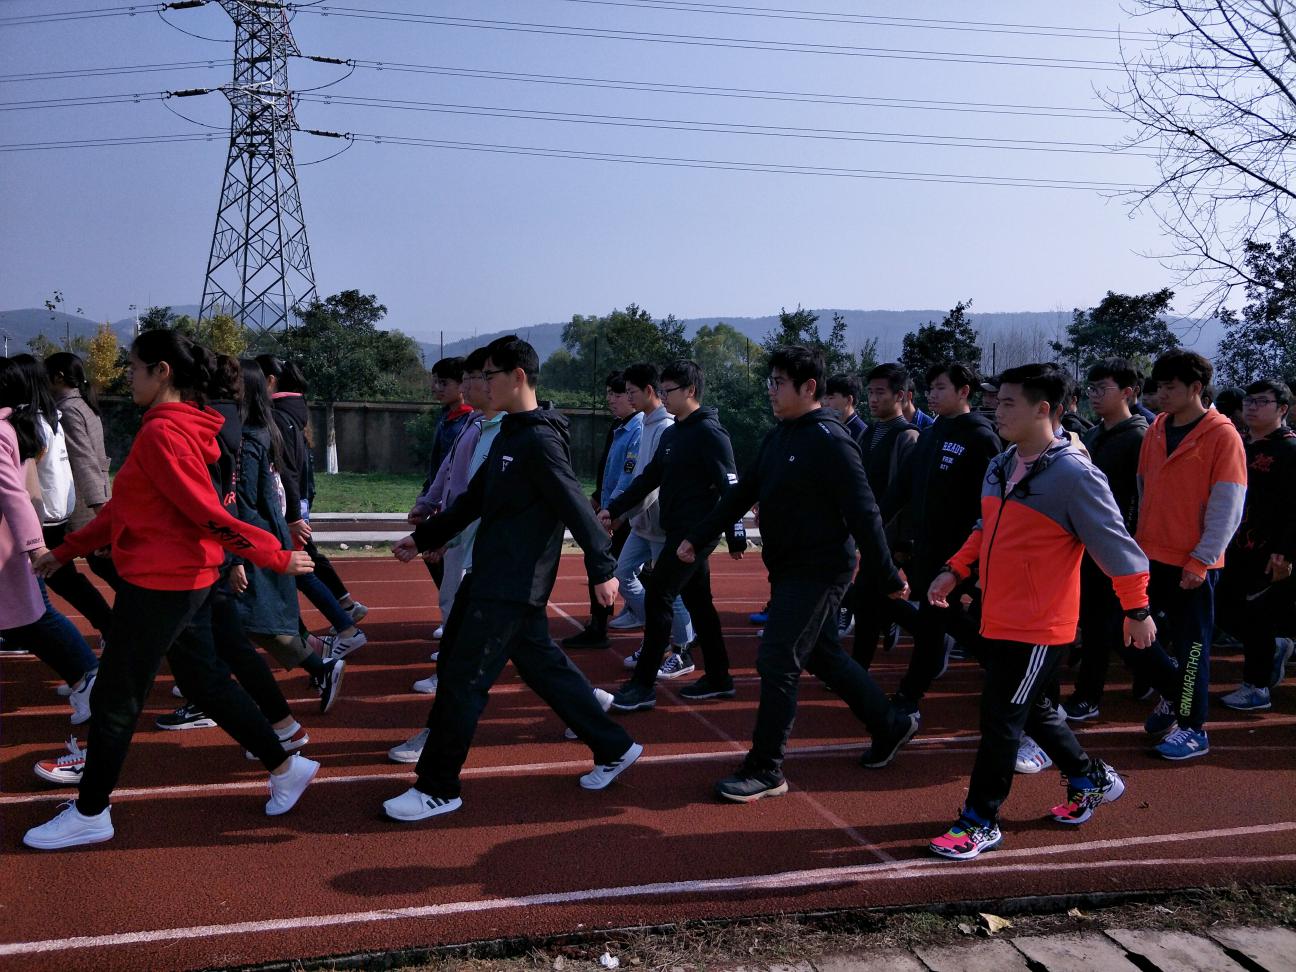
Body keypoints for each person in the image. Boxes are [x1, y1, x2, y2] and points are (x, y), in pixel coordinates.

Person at [23, 331, 317, 851]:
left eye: (133, 368)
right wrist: (66, 550)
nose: (126, 377)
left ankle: (91, 812)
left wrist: (272, 555)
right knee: (205, 681)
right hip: (181, 579)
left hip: (163, 584)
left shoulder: (164, 432)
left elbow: (205, 511)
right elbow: (126, 507)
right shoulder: (172, 427)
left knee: (117, 697)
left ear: (162, 371)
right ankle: (284, 766)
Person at [384, 336, 642, 820]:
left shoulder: (539, 441)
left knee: (463, 680)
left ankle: (439, 787)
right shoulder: (510, 433)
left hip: (510, 585)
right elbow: (474, 500)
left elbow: (575, 506)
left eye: (488, 376)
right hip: (495, 576)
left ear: (517, 377)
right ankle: (614, 746)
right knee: (540, 668)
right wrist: (423, 538)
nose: (480, 385)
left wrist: (603, 569)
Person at [926, 363, 1155, 860]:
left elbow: (1117, 546)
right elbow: (985, 528)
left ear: (1044, 410)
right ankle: (1090, 778)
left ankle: (980, 821)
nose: (997, 410)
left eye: (1009, 403)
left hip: (1039, 625)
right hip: (997, 614)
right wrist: (955, 569)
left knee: (1000, 718)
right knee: (1034, 710)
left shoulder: (1075, 475)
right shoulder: (1001, 464)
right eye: (997, 401)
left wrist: (1137, 609)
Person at [680, 346, 920, 802]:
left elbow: (865, 512)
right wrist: (699, 535)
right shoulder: (779, 437)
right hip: (788, 568)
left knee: (777, 659)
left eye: (778, 383)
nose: (770, 391)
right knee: (823, 655)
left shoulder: (831, 440)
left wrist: (888, 574)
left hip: (820, 571)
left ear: (809, 388)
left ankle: (766, 768)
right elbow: (741, 494)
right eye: (769, 382)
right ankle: (890, 724)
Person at [600, 359, 746, 711]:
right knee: (700, 605)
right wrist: (614, 509)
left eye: (669, 391)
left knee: (658, 596)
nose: (663, 397)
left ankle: (643, 685)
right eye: (662, 390)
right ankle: (719, 677)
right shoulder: (673, 432)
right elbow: (649, 478)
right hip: (677, 532)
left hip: (695, 535)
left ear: (690, 391)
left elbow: (731, 486)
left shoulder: (710, 433)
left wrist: (736, 536)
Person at [1132, 349, 1247, 761]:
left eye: (1170, 387)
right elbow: (1144, 488)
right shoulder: (1156, 428)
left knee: (1192, 647)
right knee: (1126, 631)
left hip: (1193, 562)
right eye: (1158, 386)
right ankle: (1173, 691)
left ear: (1196, 388)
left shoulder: (1222, 435)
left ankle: (1193, 728)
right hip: (1149, 554)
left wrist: (1202, 558)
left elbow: (1228, 504)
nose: (1160, 394)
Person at [880, 362, 1001, 715]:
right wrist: (874, 522)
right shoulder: (931, 434)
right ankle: (999, 666)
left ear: (964, 392)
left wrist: (974, 553)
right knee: (939, 620)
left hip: (961, 551)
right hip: (927, 548)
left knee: (934, 621)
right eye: (930, 388)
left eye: (940, 388)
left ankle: (909, 697)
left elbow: (990, 502)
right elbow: (901, 488)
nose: (932, 395)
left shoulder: (981, 437)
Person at [256, 356, 368, 657]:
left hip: (286, 510)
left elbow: (288, 471)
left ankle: (337, 632)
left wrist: (293, 516)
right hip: (292, 507)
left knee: (293, 572)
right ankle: (338, 624)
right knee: (296, 571)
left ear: (269, 381)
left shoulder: (278, 418)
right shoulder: (290, 414)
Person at [0, 394, 98, 725]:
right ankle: (88, 676)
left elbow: (19, 496)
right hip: (23, 537)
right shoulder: (17, 424)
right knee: (35, 616)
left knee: (36, 618)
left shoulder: (10, 427)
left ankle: (89, 677)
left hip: (18, 541)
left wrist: (35, 544)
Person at [1, 355, 114, 640]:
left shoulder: (41, 419)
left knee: (50, 591)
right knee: (63, 581)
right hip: (58, 510)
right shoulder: (58, 414)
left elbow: (82, 461)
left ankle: (110, 635)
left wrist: (99, 506)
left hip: (49, 515)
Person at [1061, 359, 1148, 721]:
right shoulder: (1094, 435)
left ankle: (1089, 696)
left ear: (1128, 392)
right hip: (1087, 544)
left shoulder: (1139, 439)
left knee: (1103, 625)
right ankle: (1155, 678)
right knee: (1102, 624)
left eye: (1102, 389)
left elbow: (1142, 498)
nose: (1094, 396)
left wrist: (1128, 543)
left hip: (1116, 546)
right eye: (1091, 388)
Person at [406, 346, 493, 690]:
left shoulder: (499, 429)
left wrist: (444, 530)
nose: (469, 385)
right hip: (459, 523)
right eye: (467, 378)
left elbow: (478, 492)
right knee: (458, 599)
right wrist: (429, 502)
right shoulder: (472, 422)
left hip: (473, 529)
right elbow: (447, 468)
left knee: (462, 600)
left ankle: (455, 670)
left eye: (476, 378)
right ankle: (457, 665)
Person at [608, 362, 696, 674]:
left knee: (667, 591)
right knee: (622, 572)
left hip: (659, 524)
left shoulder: (665, 427)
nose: (628, 397)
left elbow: (654, 484)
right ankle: (657, 635)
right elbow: (640, 476)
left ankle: (683, 647)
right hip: (641, 524)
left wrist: (621, 514)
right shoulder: (646, 423)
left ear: (649, 391)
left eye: (632, 392)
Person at [1218, 380, 1296, 711]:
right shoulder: (1241, 444)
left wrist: (1286, 553)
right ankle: (1274, 649)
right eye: (1249, 401)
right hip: (1235, 544)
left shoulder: (1289, 450)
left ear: (1282, 409)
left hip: (1269, 551)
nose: (1252, 407)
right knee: (1226, 609)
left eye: (1262, 402)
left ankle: (1257, 687)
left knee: (1257, 616)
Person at [845, 363, 920, 665]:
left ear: (900, 395)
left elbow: (910, 496)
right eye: (871, 392)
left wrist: (904, 542)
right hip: (873, 534)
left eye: (880, 393)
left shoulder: (908, 437)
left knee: (868, 598)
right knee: (870, 600)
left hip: (892, 537)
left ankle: (933, 634)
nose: (873, 399)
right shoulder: (869, 433)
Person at [564, 372, 641, 650]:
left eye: (618, 394)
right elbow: (608, 469)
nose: (611, 399)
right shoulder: (619, 426)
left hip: (627, 514)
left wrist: (613, 511)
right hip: (612, 508)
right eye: (609, 393)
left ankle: (604, 626)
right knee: (611, 566)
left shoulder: (638, 429)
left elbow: (629, 477)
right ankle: (606, 621)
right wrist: (598, 498)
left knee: (611, 567)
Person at [44, 351, 118, 602]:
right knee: (105, 567)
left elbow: (84, 460)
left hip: (85, 503)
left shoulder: (68, 410)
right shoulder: (84, 404)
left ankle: (120, 619)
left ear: (58, 377)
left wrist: (100, 509)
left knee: (101, 565)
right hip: (94, 498)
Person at [823, 373, 866, 442]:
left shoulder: (863, 433)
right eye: (825, 398)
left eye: (831, 398)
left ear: (849, 399)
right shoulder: (827, 426)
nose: (825, 403)